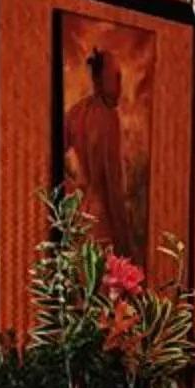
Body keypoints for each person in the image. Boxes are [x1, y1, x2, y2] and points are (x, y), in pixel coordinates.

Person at [62, 45, 146, 258]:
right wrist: (126, 247)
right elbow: (113, 188)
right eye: (115, 77)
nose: (120, 85)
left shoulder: (77, 112)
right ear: (101, 80)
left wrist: (72, 187)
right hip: (102, 220)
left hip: (81, 214)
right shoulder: (108, 118)